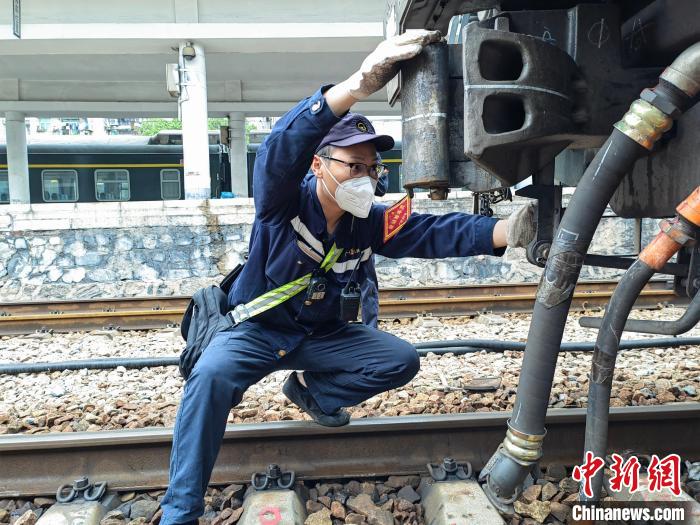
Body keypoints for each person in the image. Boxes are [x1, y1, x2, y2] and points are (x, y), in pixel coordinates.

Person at [160, 30, 535, 525]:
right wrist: (357, 85)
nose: (365, 177)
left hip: (323, 337)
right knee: (208, 377)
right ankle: (179, 512)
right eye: (353, 165)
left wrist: (509, 231)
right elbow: (279, 148)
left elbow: (433, 233)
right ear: (319, 165)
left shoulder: (368, 220)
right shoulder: (281, 205)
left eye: (373, 169)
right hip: (255, 331)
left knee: (398, 359)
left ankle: (312, 394)